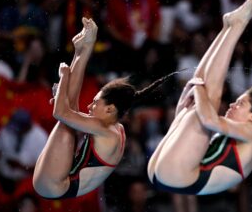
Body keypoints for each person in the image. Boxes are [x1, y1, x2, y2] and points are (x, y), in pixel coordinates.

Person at [33, 18, 174, 199]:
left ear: (110, 109)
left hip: (54, 185)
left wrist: (65, 77)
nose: (90, 106)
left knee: (66, 119)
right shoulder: (115, 129)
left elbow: (61, 112)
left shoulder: (106, 131)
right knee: (69, 114)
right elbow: (68, 110)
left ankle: (86, 49)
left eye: (95, 102)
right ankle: (83, 50)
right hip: (61, 183)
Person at [147, 0, 252, 195]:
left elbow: (209, 120)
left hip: (177, 177)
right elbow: (182, 119)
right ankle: (227, 27)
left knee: (208, 100)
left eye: (241, 104)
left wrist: (197, 89)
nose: (232, 105)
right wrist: (188, 95)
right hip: (166, 173)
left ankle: (236, 26)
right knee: (201, 98)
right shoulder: (235, 131)